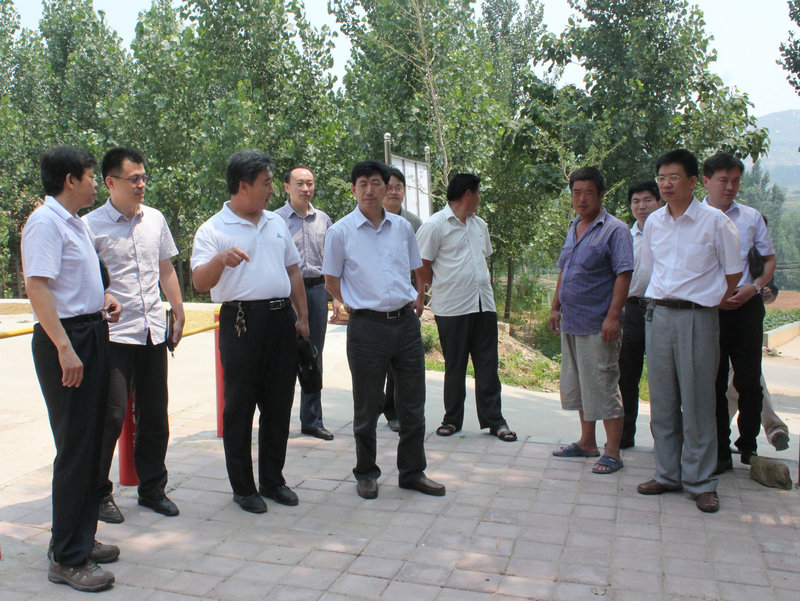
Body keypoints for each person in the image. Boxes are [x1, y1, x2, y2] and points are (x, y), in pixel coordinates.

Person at [22, 146, 122, 592]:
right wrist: (64, 347)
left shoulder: (74, 222)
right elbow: (37, 287)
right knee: (76, 450)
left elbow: (72, 282)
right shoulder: (45, 223)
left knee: (92, 442)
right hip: (68, 340)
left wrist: (103, 299)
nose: (96, 183)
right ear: (70, 180)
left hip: (90, 331)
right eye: (90, 176)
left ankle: (79, 538)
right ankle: (66, 557)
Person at [191, 150, 310, 514]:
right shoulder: (213, 229)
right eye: (266, 183)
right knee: (240, 407)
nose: (272, 190)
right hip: (241, 322)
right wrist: (219, 260)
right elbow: (199, 282)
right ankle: (243, 488)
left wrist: (302, 317)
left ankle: (273, 480)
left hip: (280, 320)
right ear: (243, 186)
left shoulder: (276, 222)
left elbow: (293, 271)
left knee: (279, 404)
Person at [322, 160, 445, 500]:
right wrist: (355, 303)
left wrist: (417, 298)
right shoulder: (340, 232)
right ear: (353, 189)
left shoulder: (402, 228)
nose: (370, 190)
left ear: (385, 187)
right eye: (362, 184)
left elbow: (416, 268)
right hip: (367, 328)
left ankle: (412, 472)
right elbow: (331, 281)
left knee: (413, 404)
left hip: (405, 325)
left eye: (376, 183)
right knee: (366, 406)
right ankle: (366, 473)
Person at [636, 149, 740, 513]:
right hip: (658, 315)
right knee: (662, 400)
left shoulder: (715, 222)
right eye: (661, 178)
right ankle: (667, 473)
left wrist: (710, 301)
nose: (665, 184)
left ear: (694, 181)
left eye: (674, 177)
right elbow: (650, 269)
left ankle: (701, 482)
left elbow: (733, 274)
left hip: (698, 317)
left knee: (698, 402)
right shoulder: (654, 222)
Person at [84, 147, 185, 523]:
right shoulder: (90, 226)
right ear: (110, 183)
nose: (141, 185)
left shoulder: (154, 219)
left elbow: (166, 268)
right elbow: (84, 279)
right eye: (133, 179)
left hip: (152, 331)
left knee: (155, 415)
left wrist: (178, 310)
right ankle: (98, 493)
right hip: (114, 335)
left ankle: (152, 489)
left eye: (143, 177)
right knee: (110, 417)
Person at [416, 173, 516, 442]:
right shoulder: (435, 225)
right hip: (452, 308)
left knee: (488, 365)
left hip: (484, 305)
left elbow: (481, 258)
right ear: (468, 194)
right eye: (479, 193)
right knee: (455, 366)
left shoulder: (479, 225)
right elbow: (422, 264)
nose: (480, 199)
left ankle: (495, 421)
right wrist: (444, 284)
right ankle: (451, 420)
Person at [549, 167, 633, 475]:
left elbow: (624, 274)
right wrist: (555, 308)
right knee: (580, 385)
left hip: (599, 324)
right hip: (572, 321)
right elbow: (565, 269)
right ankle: (587, 442)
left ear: (601, 195)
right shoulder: (574, 226)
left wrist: (613, 317)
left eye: (588, 193)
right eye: (576, 193)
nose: (581, 199)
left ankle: (613, 451)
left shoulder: (615, 230)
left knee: (603, 386)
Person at [701, 152, 777, 472]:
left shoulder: (751, 217)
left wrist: (755, 287)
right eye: (724, 180)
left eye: (735, 181)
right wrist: (714, 297)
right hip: (710, 309)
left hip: (747, 305)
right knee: (714, 382)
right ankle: (720, 449)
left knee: (748, 380)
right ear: (706, 181)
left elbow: (769, 259)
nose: (730, 187)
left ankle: (747, 445)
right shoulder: (694, 218)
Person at [275, 165, 338, 441]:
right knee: (283, 356)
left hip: (316, 291)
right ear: (287, 187)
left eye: (310, 183)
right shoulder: (275, 220)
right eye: (299, 183)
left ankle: (312, 420)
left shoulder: (324, 220)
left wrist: (335, 297)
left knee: (313, 354)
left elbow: (332, 261)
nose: (305, 188)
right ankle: (278, 420)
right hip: (285, 292)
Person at [618, 181, 663, 449]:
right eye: (636, 201)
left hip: (662, 309)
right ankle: (624, 436)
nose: (641, 206)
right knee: (627, 375)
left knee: (663, 378)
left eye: (647, 200)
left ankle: (665, 440)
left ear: (659, 202)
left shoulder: (668, 232)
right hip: (632, 310)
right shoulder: (625, 236)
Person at [380, 166, 422, 432]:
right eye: (390, 187)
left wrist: (420, 294)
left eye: (399, 187)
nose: (394, 192)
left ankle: (394, 410)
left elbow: (420, 264)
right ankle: (378, 403)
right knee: (377, 362)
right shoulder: (367, 221)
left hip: (404, 302)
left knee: (400, 361)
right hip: (374, 304)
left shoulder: (413, 224)